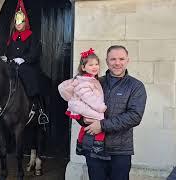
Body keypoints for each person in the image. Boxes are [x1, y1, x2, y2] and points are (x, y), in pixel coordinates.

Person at [83, 45, 147, 180]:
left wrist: (102, 125)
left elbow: (134, 116)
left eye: (121, 59)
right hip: (95, 149)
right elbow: (81, 106)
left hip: (120, 151)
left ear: (127, 61)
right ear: (106, 61)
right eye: (113, 59)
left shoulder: (136, 86)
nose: (117, 63)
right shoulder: (94, 83)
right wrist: (83, 119)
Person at [0, 0, 48, 175]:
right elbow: (8, 53)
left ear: (25, 22)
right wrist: (7, 59)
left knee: (29, 77)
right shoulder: (10, 38)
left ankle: (38, 108)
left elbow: (35, 53)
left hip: (28, 67)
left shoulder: (32, 36)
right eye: (16, 22)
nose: (19, 24)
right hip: (14, 67)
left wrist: (24, 59)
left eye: (21, 22)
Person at [58, 48, 110, 160]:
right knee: (100, 121)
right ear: (83, 67)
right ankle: (98, 146)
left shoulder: (90, 79)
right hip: (84, 107)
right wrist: (101, 107)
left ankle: (80, 144)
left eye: (96, 64)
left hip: (84, 107)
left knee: (85, 127)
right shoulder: (85, 81)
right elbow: (88, 97)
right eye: (91, 65)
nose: (95, 67)